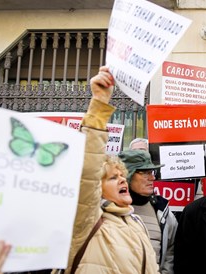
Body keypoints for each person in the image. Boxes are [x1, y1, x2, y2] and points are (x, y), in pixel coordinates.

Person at [63, 66, 159, 273]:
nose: (123, 180)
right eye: (114, 178)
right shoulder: (86, 219)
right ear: (96, 187)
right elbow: (88, 170)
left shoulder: (134, 222)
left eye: (122, 176)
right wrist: (99, 105)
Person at [119, 150, 178, 274]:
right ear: (127, 175)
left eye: (152, 172)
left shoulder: (162, 211)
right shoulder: (111, 211)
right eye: (145, 173)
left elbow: (171, 250)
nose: (152, 178)